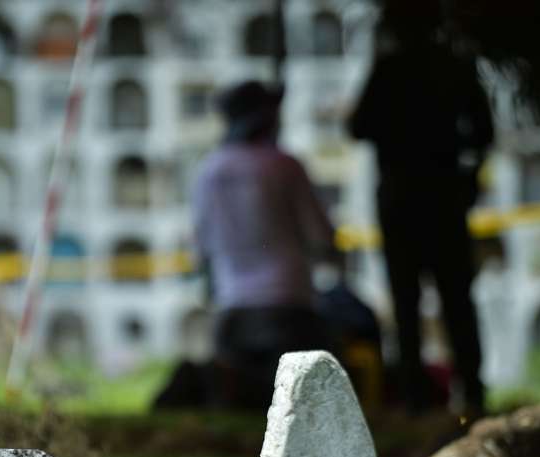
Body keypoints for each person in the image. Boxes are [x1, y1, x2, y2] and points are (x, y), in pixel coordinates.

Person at [348, 23, 494, 421]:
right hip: (444, 198)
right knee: (456, 301)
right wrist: (466, 177)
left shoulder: (390, 69)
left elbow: (358, 126)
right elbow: (485, 132)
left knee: (408, 303)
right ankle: (472, 393)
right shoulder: (454, 66)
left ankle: (417, 399)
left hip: (402, 201)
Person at [192, 81, 340, 409]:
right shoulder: (284, 165)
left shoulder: (209, 170)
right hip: (290, 306)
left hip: (232, 312)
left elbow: (200, 246)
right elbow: (321, 236)